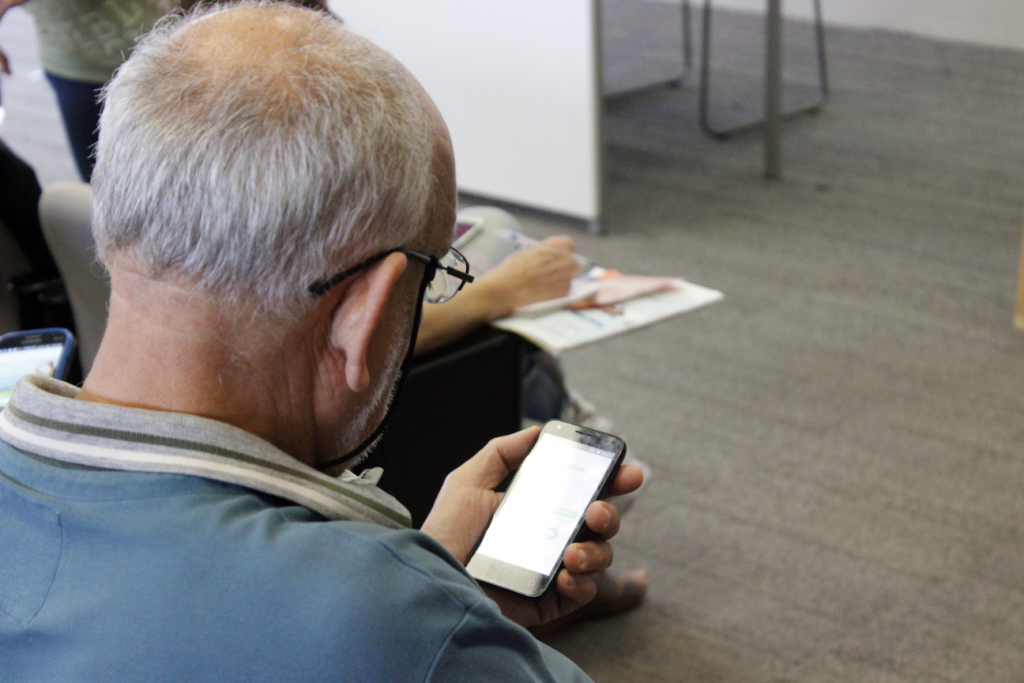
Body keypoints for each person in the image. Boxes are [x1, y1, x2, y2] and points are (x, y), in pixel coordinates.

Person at [0, 3, 643, 681]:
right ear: (359, 315)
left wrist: (431, 585)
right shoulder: (394, 628)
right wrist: (433, 615)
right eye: (435, 276)